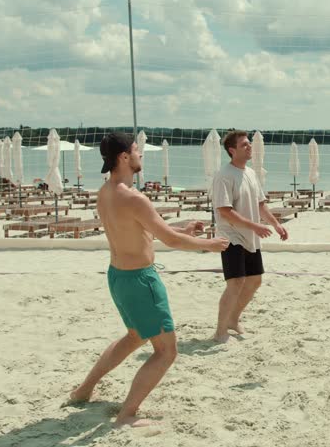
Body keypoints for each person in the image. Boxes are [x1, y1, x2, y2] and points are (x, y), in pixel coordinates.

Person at [68, 132, 229, 427]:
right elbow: (168, 239)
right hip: (141, 282)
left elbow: (142, 229)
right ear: (124, 157)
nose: (141, 152)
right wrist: (209, 245)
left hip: (118, 277)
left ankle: (83, 390)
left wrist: (182, 227)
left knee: (134, 336)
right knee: (166, 351)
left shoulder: (106, 191)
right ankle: (126, 415)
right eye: (135, 149)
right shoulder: (134, 197)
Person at [212, 130, 289, 343]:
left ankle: (233, 320)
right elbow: (225, 211)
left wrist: (276, 225)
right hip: (231, 236)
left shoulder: (251, 173)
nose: (249, 147)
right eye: (244, 145)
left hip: (249, 236)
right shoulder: (224, 175)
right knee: (236, 282)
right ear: (232, 150)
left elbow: (261, 204)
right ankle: (220, 331)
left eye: (249, 144)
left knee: (255, 280)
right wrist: (255, 226)